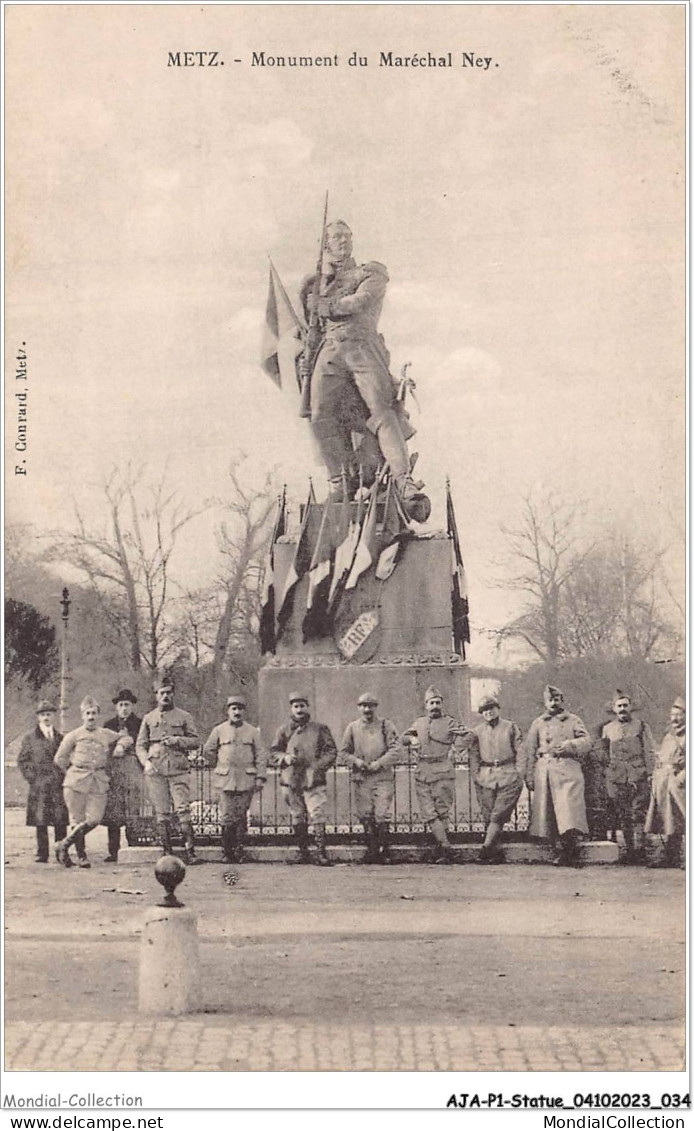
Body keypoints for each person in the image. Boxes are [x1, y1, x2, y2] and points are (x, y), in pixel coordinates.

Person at [299, 220, 425, 513]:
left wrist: (326, 306)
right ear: (326, 244)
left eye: (347, 236)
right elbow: (310, 324)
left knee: (381, 412)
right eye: (336, 237)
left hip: (362, 347)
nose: (342, 241)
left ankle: (403, 480)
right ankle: (340, 481)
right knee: (318, 415)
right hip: (328, 351)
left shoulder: (371, 273)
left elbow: (361, 301)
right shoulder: (317, 283)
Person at [53, 696, 133, 868]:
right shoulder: (73, 735)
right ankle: (82, 857)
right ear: (82, 715)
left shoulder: (104, 733)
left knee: (94, 819)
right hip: (76, 783)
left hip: (98, 781)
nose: (91, 717)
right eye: (87, 713)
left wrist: (120, 746)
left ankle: (63, 845)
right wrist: (72, 772)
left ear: (98, 715)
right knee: (77, 819)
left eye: (94, 713)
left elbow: (126, 738)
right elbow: (59, 758)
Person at [523, 685, 592, 867]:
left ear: (562, 700)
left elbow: (587, 742)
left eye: (557, 699)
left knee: (568, 811)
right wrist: (529, 775)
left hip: (568, 768)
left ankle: (570, 850)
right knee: (549, 812)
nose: (554, 703)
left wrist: (570, 745)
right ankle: (558, 850)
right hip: (545, 769)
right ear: (545, 702)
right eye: (550, 700)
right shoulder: (538, 723)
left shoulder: (573, 720)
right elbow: (529, 750)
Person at [136, 678, 203, 865]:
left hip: (178, 769)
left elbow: (195, 741)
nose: (165, 696)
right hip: (156, 771)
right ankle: (167, 853)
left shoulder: (184, 716)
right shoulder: (149, 718)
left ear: (173, 694)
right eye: (161, 693)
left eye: (168, 692)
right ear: (156, 695)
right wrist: (145, 762)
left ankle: (191, 852)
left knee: (183, 809)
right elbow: (140, 745)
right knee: (162, 812)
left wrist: (177, 740)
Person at [401, 685, 470, 864]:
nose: (435, 706)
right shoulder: (419, 723)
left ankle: (442, 850)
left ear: (442, 704)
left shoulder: (450, 722)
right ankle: (445, 848)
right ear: (426, 705)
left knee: (442, 812)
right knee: (429, 813)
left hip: (443, 772)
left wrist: (456, 748)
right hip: (423, 772)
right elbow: (402, 738)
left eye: (438, 702)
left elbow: (468, 735)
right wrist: (411, 739)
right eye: (431, 703)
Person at [270, 691, 337, 866]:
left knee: (317, 814)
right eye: (296, 706)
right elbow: (273, 752)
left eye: (302, 706)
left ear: (308, 708)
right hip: (291, 780)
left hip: (313, 780)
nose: (299, 710)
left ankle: (321, 853)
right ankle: (303, 852)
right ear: (291, 709)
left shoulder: (320, 729)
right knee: (298, 816)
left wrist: (317, 767)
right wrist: (284, 757)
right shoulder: (283, 730)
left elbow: (331, 751)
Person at [203, 693, 267, 863]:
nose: (237, 712)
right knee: (226, 816)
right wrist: (219, 764)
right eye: (234, 709)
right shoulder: (219, 730)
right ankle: (226, 852)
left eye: (240, 709)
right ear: (228, 711)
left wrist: (260, 777)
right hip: (225, 780)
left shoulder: (253, 731)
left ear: (244, 712)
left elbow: (261, 754)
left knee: (241, 816)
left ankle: (239, 851)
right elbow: (208, 750)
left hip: (246, 780)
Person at [340, 691, 400, 864]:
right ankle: (372, 850)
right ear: (359, 708)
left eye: (371, 706)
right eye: (364, 706)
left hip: (382, 777)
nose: (367, 709)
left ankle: (384, 851)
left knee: (382, 814)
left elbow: (396, 749)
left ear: (376, 707)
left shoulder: (386, 725)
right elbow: (343, 752)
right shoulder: (352, 727)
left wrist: (380, 763)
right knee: (365, 814)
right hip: (362, 777)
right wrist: (356, 762)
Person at [467, 693, 523, 864]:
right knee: (488, 814)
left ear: (497, 709)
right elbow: (473, 754)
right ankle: (494, 851)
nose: (488, 712)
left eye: (491, 708)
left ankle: (485, 850)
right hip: (486, 776)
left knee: (498, 815)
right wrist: (476, 774)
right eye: (484, 710)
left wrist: (519, 772)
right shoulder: (477, 731)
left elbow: (521, 750)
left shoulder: (510, 727)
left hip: (508, 773)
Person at [600, 692, 655, 864]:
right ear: (614, 709)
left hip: (638, 776)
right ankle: (630, 851)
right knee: (623, 815)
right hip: (617, 778)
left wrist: (650, 773)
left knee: (638, 814)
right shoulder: (608, 729)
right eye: (619, 706)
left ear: (631, 707)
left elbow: (649, 751)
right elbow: (603, 753)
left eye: (625, 705)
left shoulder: (642, 726)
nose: (623, 709)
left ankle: (640, 850)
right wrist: (607, 772)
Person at [17, 700, 68, 863]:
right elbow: (22, 761)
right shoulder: (30, 739)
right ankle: (42, 853)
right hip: (39, 785)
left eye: (49, 714)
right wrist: (33, 778)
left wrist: (63, 777)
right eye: (43, 714)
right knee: (41, 819)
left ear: (53, 716)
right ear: (38, 717)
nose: (46, 717)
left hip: (57, 784)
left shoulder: (61, 738)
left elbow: (67, 759)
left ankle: (61, 851)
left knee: (60, 820)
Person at [102, 689, 143, 863]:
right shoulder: (108, 725)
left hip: (132, 772)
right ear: (116, 707)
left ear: (132, 706)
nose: (124, 708)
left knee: (133, 810)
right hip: (114, 774)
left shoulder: (140, 724)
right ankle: (114, 851)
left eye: (127, 705)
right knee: (114, 813)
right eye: (121, 705)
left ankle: (133, 847)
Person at [645, 697, 686, 869]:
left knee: (685, 818)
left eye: (679, 715)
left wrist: (682, 778)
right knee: (668, 820)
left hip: (679, 783)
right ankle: (671, 856)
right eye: (672, 715)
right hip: (663, 781)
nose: (675, 719)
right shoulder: (669, 735)